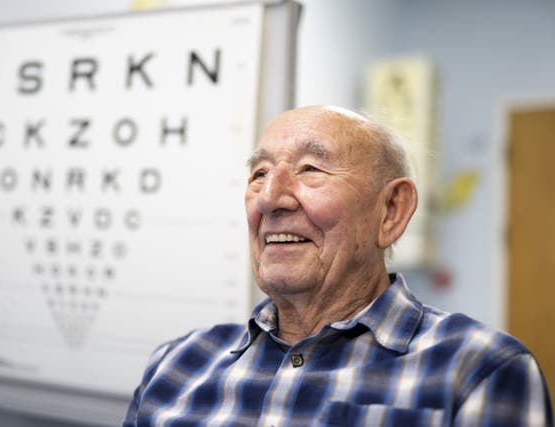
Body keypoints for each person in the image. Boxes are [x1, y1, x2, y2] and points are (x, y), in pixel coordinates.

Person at [122, 105, 552, 426]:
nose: (271, 198)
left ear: (391, 211)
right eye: (259, 174)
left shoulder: (477, 370)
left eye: (310, 169)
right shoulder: (177, 364)